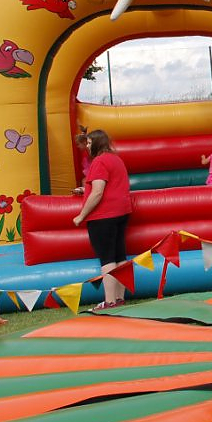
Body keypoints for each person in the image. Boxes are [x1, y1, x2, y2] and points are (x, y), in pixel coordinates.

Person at [72, 129, 132, 311]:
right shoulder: (116, 159)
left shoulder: (99, 161)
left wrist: (81, 215)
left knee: (107, 259)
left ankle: (109, 301)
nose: (87, 147)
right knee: (120, 256)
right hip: (121, 212)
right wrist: (85, 190)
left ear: (97, 143)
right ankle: (119, 298)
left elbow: (98, 192)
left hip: (103, 216)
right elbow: (109, 185)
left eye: (89, 143)